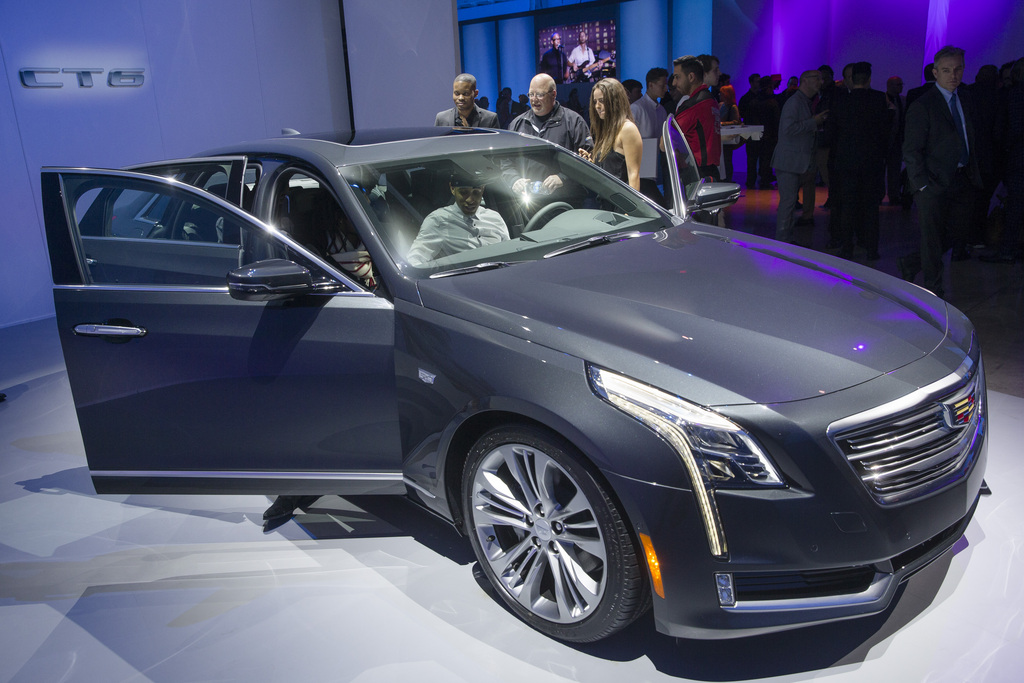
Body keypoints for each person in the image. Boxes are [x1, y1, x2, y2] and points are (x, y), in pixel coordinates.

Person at [899, 46, 984, 298]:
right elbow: (911, 149)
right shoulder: (923, 105)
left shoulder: (965, 99)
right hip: (932, 182)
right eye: (946, 70)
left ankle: (912, 263)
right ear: (935, 73)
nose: (953, 75)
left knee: (958, 231)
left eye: (958, 69)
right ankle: (934, 290)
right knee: (932, 238)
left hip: (962, 178)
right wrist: (922, 185)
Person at [828, 62, 890, 259]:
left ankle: (847, 247)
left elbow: (831, 133)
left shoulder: (840, 101)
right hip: (872, 162)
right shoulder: (880, 99)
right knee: (871, 208)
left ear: (851, 79)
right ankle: (872, 249)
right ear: (869, 79)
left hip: (846, 162)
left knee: (847, 206)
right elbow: (885, 132)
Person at [772, 70, 828, 244]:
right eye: (817, 79)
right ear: (805, 81)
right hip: (789, 162)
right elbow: (788, 129)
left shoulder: (801, 101)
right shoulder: (795, 102)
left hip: (794, 162)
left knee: (788, 202)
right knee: (788, 202)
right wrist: (814, 122)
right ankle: (782, 241)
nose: (820, 82)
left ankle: (784, 239)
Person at [406, 173, 510, 266]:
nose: (470, 200)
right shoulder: (438, 221)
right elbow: (414, 261)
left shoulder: (495, 218)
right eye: (464, 192)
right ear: (452, 189)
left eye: (476, 192)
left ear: (483, 189)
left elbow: (510, 254)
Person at [578, 78, 643, 190]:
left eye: (602, 101)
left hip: (620, 204)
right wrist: (590, 163)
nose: (597, 106)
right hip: (605, 202)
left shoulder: (627, 129)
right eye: (595, 102)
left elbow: (634, 175)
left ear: (615, 101)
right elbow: (609, 170)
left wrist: (631, 208)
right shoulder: (606, 131)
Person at [671, 56, 721, 177]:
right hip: (709, 171)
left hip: (697, 174)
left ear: (691, 77)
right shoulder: (711, 100)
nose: (674, 83)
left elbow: (666, 141)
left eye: (677, 77)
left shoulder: (694, 105)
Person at [434, 73, 499, 128]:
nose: (461, 98)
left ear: (475, 93)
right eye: (457, 93)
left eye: (466, 94)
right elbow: (436, 143)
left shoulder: (490, 119)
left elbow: (495, 143)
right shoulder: (441, 118)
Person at [885, 75, 907, 205]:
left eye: (901, 84)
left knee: (895, 169)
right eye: (898, 85)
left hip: (897, 140)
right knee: (886, 169)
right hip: (886, 140)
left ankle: (894, 194)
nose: (900, 87)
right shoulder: (883, 100)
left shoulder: (902, 100)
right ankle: (884, 194)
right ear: (890, 86)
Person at [631, 67, 669, 138]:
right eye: (662, 85)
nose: (666, 89)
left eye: (666, 85)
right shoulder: (636, 108)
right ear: (650, 85)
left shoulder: (662, 110)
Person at [719, 84, 743, 182]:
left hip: (728, 138)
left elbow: (736, 121)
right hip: (721, 137)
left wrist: (722, 123)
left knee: (727, 160)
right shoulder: (721, 105)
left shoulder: (733, 107)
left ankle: (728, 179)